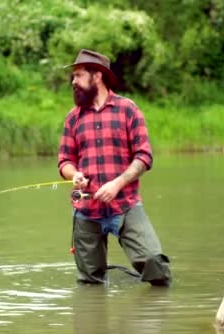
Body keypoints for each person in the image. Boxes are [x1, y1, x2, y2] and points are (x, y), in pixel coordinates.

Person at [57, 49, 172, 286]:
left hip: (126, 204)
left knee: (154, 264)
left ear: (97, 76)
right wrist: (74, 174)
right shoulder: (73, 118)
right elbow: (64, 161)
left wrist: (117, 184)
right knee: (90, 283)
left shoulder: (128, 109)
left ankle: (159, 309)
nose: (73, 81)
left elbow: (144, 156)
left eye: (78, 75)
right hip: (86, 209)